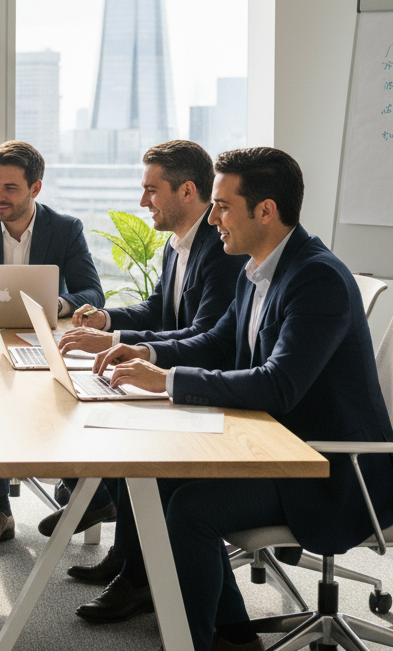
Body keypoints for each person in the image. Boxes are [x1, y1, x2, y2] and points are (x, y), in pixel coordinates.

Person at [77, 148, 393, 651]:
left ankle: (201, 641)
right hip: (278, 441)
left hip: (330, 467)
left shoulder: (316, 278)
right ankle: (232, 634)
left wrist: (165, 381)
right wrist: (143, 351)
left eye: (223, 206)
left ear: (266, 211)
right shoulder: (258, 269)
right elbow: (216, 342)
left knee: (191, 510)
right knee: (165, 481)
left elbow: (278, 385)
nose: (212, 218)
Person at [42, 140, 247, 548]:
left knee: (114, 417)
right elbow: (159, 308)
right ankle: (121, 549)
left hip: (203, 382)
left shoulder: (220, 250)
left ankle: (131, 564)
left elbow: (206, 337)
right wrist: (108, 321)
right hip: (178, 369)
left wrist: (126, 345)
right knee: (93, 396)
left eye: (151, 190)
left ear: (187, 191)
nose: (142, 201)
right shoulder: (178, 243)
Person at [0, 140, 105, 553]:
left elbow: (92, 292)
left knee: (67, 396)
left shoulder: (64, 229)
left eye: (9, 188)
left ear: (35, 189)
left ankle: (83, 490)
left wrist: (57, 306)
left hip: (44, 342)